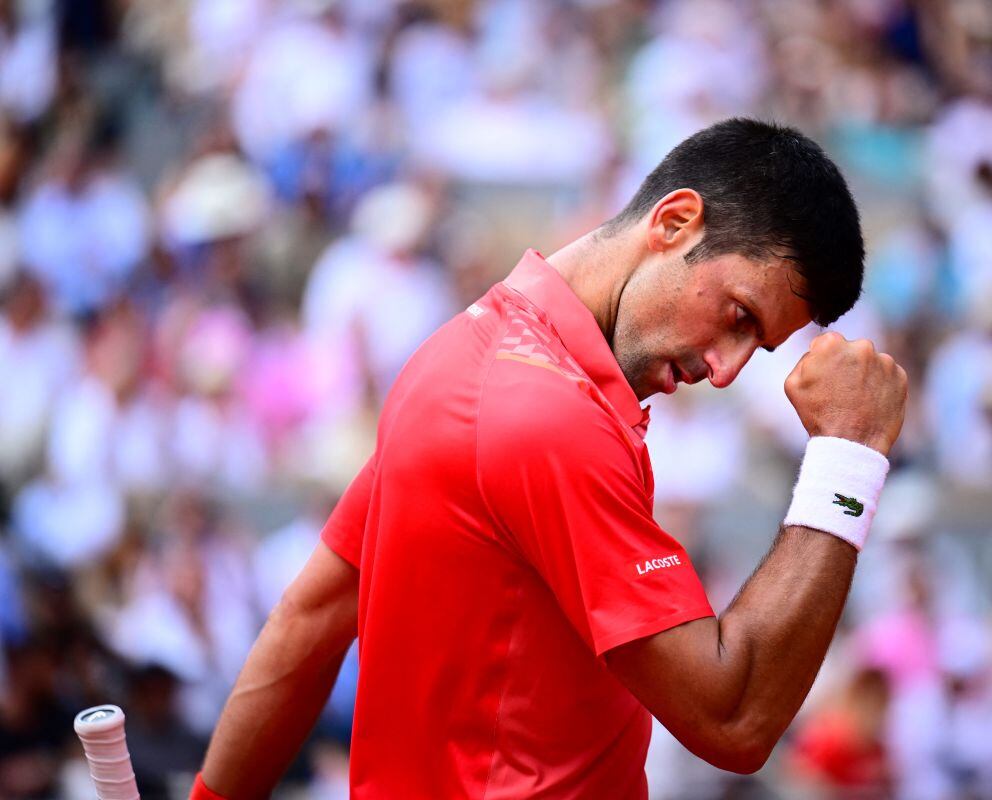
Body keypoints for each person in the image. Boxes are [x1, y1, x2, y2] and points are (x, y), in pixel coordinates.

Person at [190, 118, 908, 799]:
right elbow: (735, 719)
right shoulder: (548, 416)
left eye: (758, 347)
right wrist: (848, 454)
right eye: (738, 317)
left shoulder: (464, 351)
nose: (726, 369)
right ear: (674, 221)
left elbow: (309, 619)